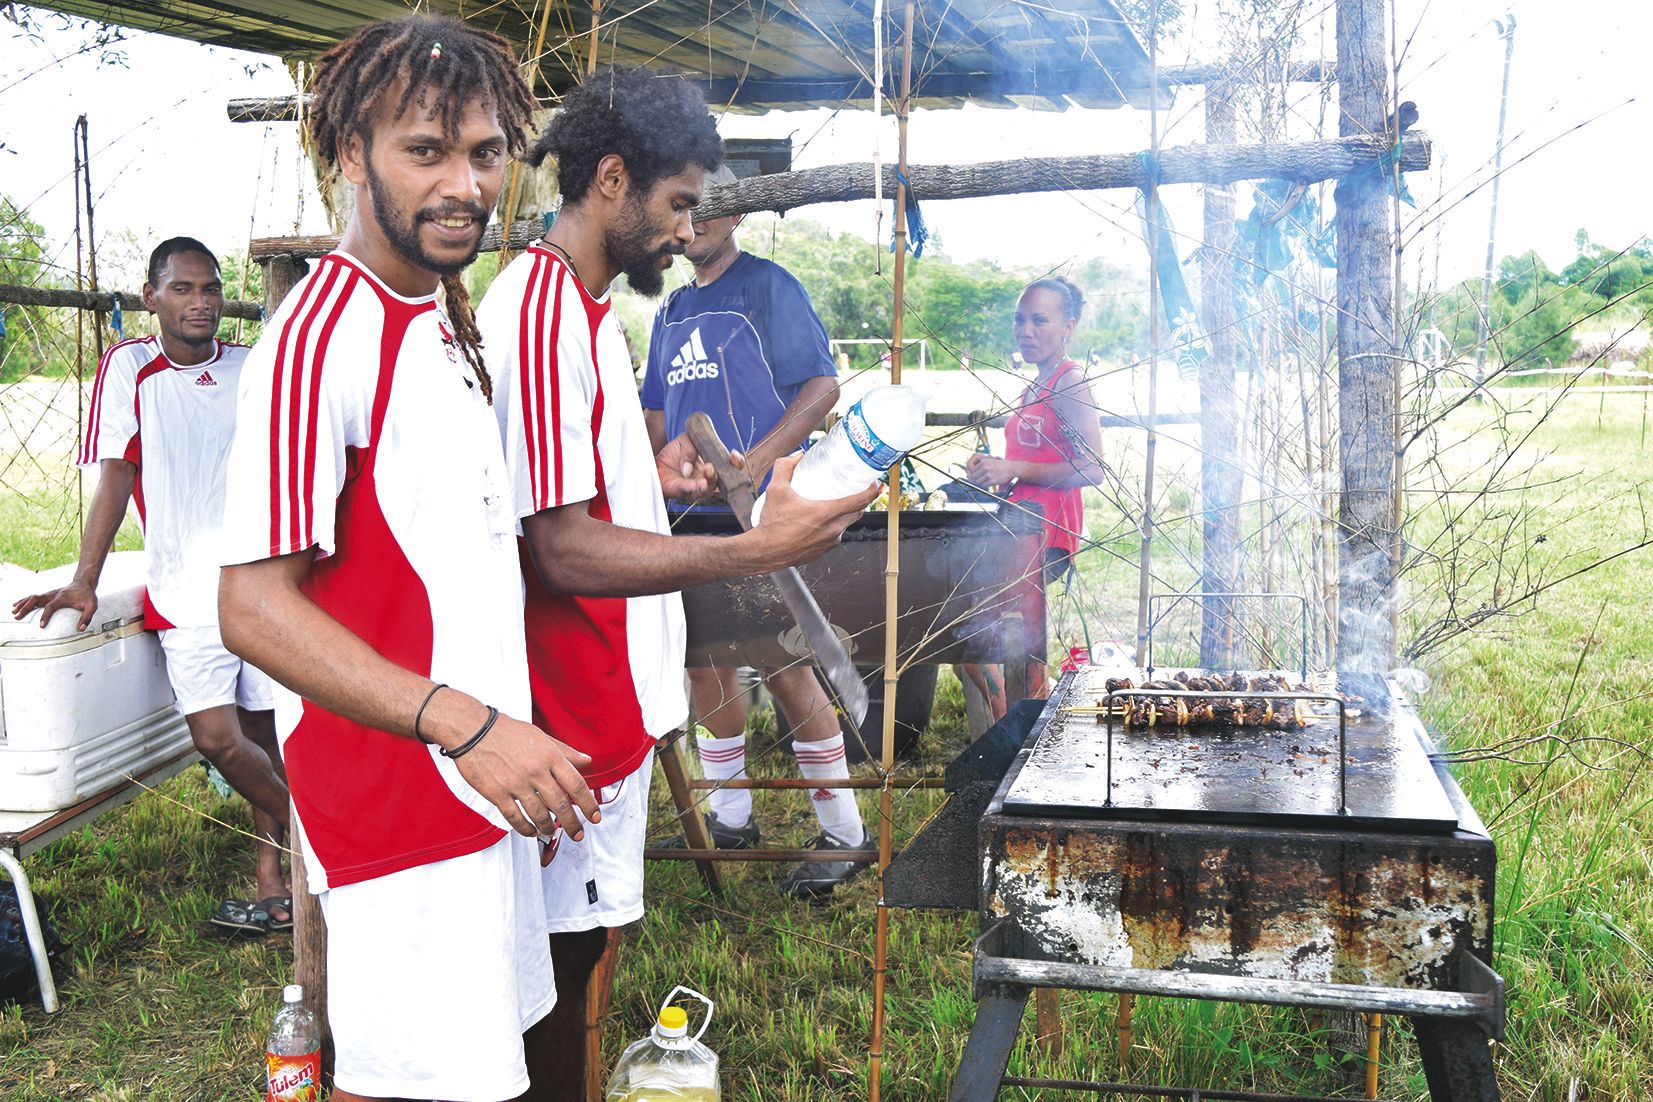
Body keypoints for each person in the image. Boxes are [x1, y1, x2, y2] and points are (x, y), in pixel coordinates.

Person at [473, 66, 877, 1099]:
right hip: (569, 707)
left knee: (592, 947)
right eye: (677, 205)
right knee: (565, 967)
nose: (684, 231)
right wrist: (747, 553)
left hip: (604, 698)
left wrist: (648, 476)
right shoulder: (534, 316)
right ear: (613, 178)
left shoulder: (588, 312)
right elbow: (556, 549)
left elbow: (582, 490)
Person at [214, 16, 599, 1102]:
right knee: (397, 1079)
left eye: (484, 153)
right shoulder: (316, 337)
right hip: (400, 807)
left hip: (480, 790)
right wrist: (465, 726)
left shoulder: (442, 313)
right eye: (424, 151)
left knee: (472, 1071)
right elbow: (250, 608)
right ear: (350, 155)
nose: (464, 183)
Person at [11, 237, 293, 935]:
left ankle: (274, 877)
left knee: (264, 729)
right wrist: (84, 581)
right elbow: (117, 474)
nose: (201, 303)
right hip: (186, 590)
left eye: (210, 289)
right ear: (152, 297)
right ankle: (325, 837)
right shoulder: (130, 366)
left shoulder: (253, 367)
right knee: (218, 739)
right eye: (184, 289)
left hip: (260, 581)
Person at [640, 163, 871, 899]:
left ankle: (843, 834)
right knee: (703, 662)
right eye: (683, 206)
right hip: (685, 519)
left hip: (759, 509)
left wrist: (761, 458)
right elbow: (654, 412)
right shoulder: (670, 310)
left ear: (738, 216)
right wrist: (648, 471)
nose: (696, 220)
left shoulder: (767, 287)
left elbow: (822, 385)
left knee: (782, 660)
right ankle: (731, 817)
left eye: (712, 206)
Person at [965, 276, 1104, 702]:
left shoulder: (1070, 383)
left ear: (1069, 327)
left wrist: (1014, 467)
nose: (1026, 331)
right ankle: (1012, 722)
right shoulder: (1034, 386)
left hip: (1049, 535)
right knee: (999, 641)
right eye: (1020, 320)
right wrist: (995, 472)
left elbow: (1094, 468)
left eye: (1040, 320)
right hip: (1018, 527)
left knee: (1008, 643)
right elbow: (1029, 461)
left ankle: (1020, 729)